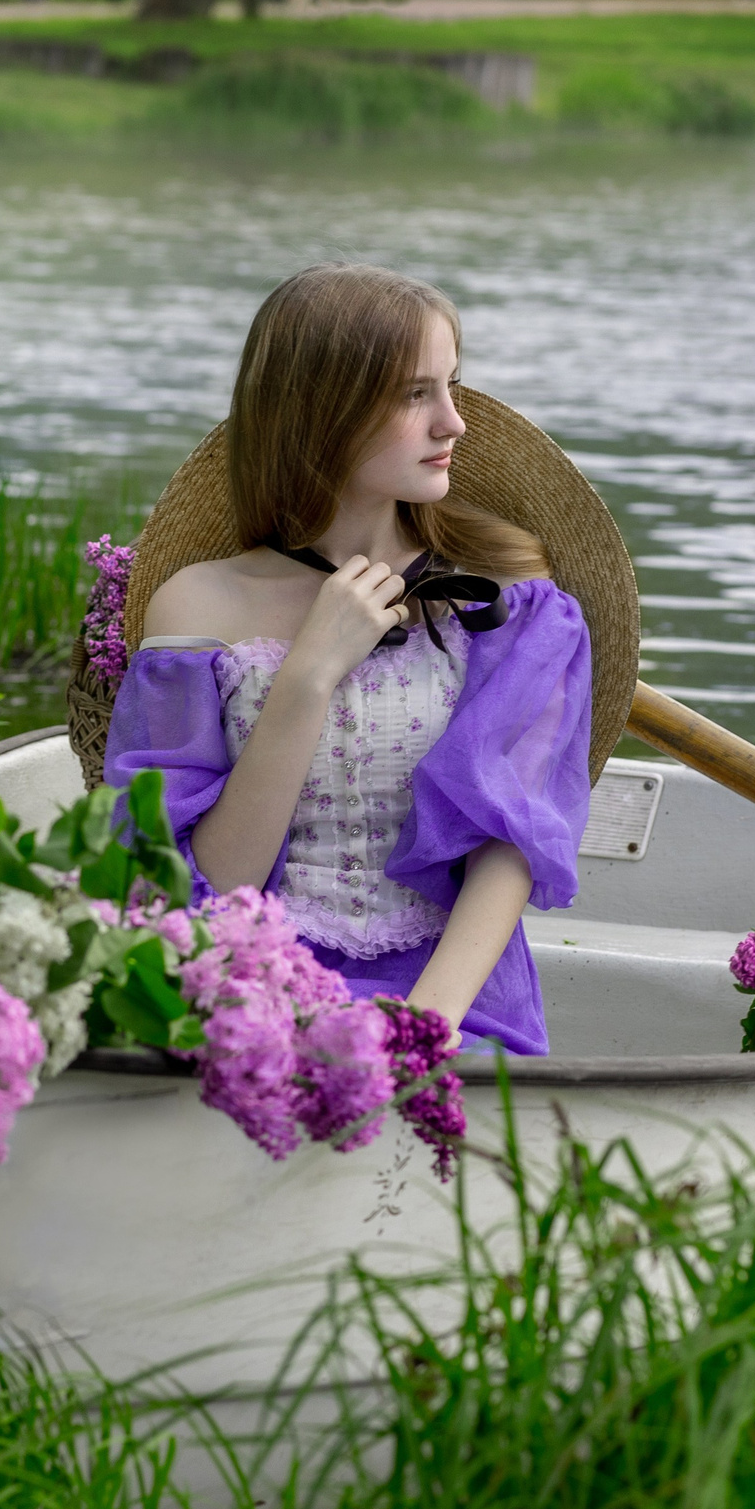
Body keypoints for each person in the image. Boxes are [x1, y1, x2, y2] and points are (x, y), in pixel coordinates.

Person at [103, 265, 593, 1053]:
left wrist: (419, 1029)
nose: (453, 423)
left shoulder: (507, 597)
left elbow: (510, 847)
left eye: (452, 386)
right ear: (319, 415)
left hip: (456, 1001)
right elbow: (202, 887)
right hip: (243, 988)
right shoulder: (198, 606)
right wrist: (308, 675)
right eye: (413, 395)